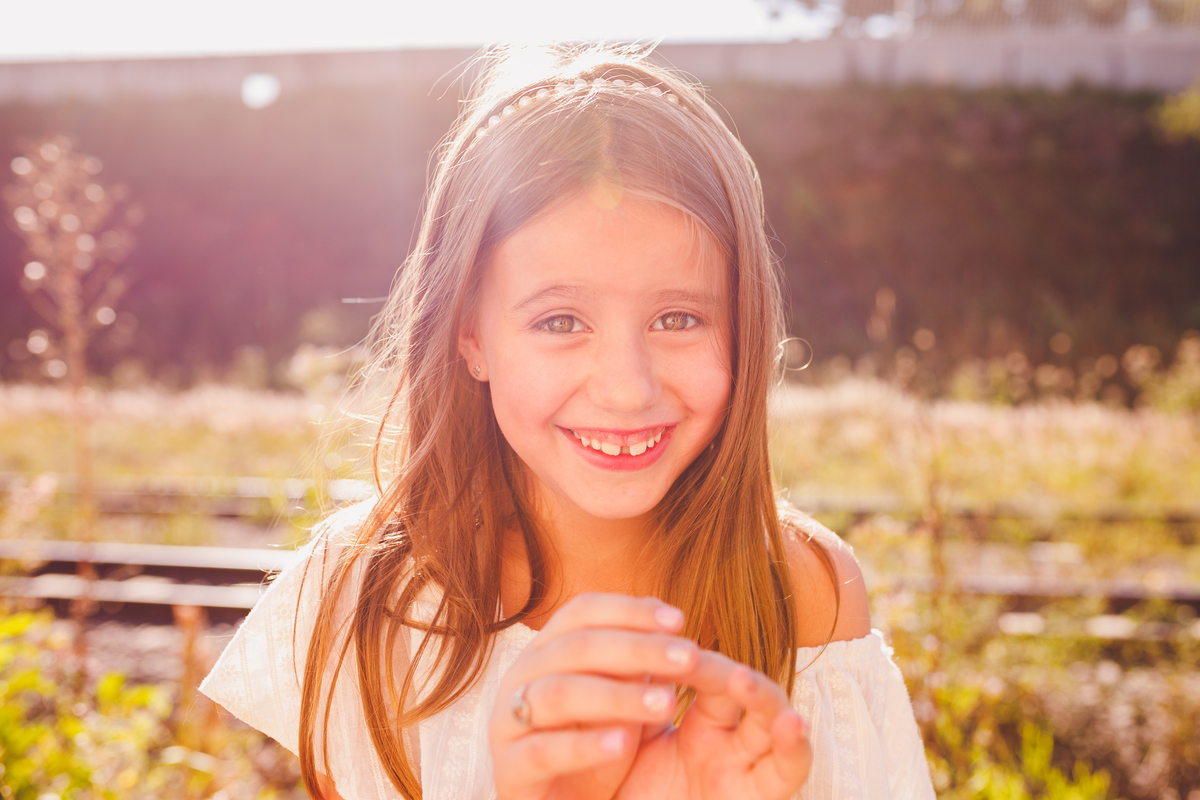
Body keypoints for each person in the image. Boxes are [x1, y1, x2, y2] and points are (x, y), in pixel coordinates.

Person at [200, 44, 935, 800]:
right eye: (559, 321)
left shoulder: (802, 591)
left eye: (678, 317)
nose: (626, 388)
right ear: (471, 334)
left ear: (746, 327)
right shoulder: (363, 592)